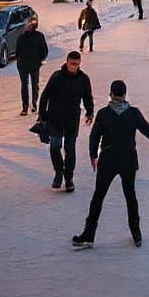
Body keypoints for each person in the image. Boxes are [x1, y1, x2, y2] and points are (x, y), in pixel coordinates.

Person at [72, 79, 149, 248]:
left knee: (98, 197)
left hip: (108, 160)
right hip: (127, 159)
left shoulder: (104, 114)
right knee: (130, 195)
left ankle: (89, 234)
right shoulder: (133, 113)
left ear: (111, 94)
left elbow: (94, 137)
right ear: (125, 94)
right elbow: (148, 131)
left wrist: (93, 155)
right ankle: (136, 232)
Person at [38, 51, 95, 192]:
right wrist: (42, 114)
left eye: (76, 64)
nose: (73, 67)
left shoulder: (83, 79)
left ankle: (69, 179)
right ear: (67, 62)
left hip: (72, 119)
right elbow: (45, 95)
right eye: (71, 64)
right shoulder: (57, 77)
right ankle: (59, 171)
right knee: (54, 147)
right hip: (55, 117)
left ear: (79, 63)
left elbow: (88, 97)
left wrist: (90, 112)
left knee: (70, 149)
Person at [15, 15, 49, 115]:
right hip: (27, 65)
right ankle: (28, 105)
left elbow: (17, 51)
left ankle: (31, 105)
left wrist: (40, 59)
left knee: (31, 85)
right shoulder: (33, 36)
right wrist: (40, 59)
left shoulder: (24, 37)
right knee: (29, 85)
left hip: (30, 65)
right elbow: (44, 50)